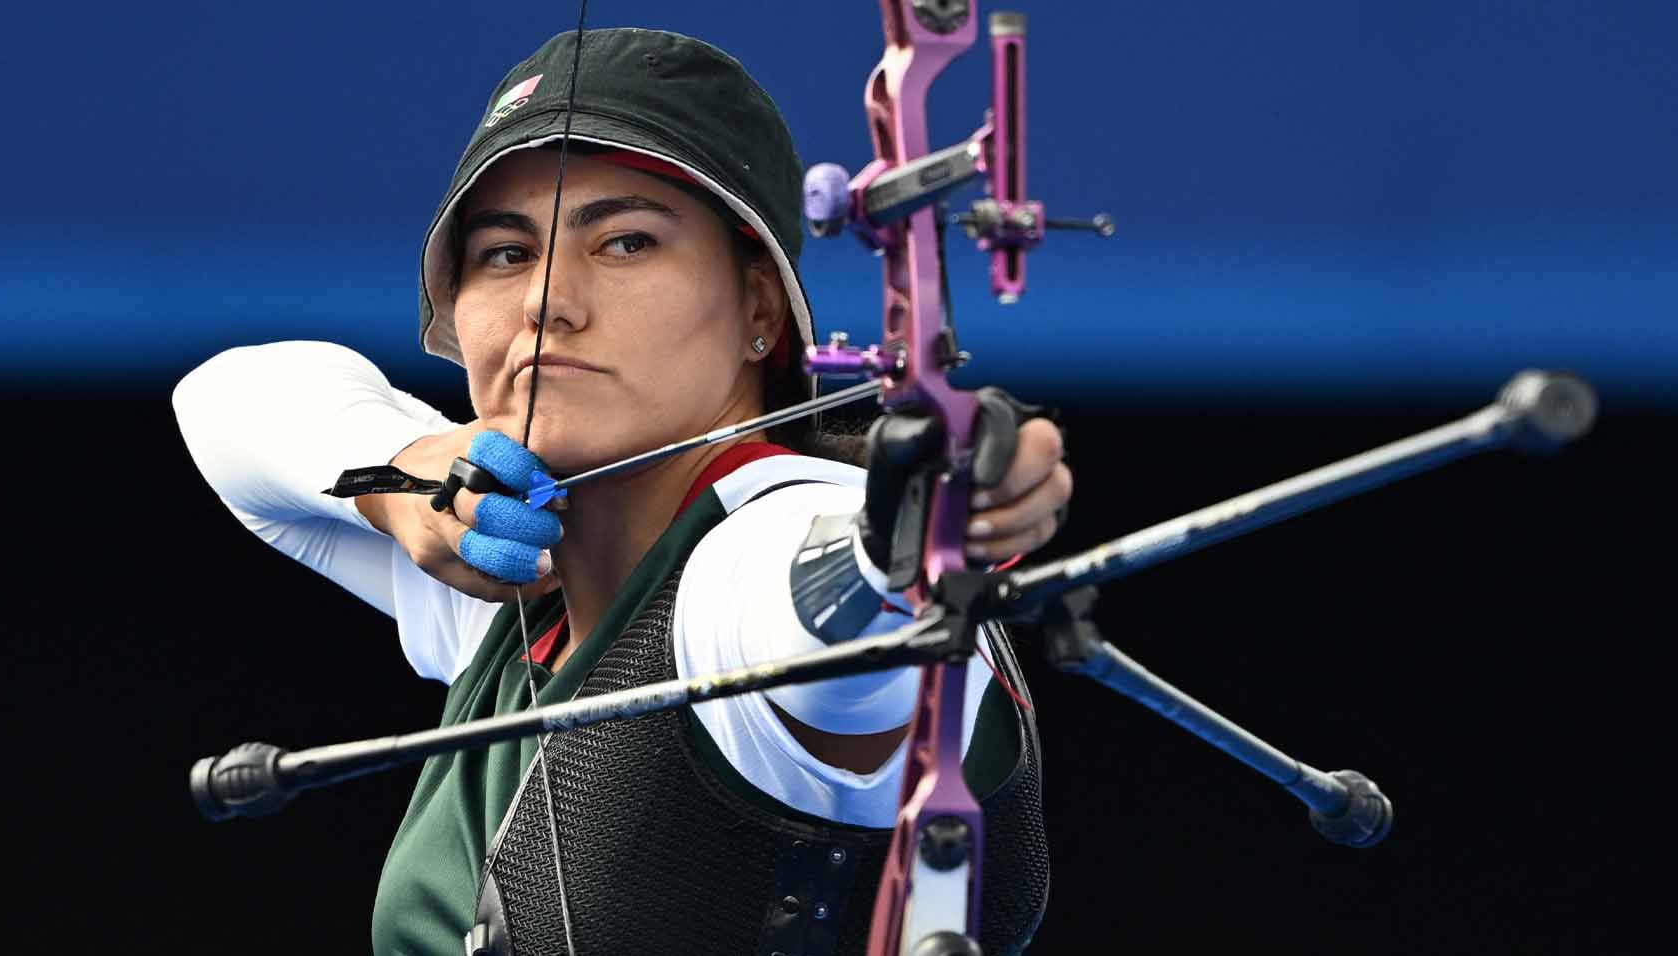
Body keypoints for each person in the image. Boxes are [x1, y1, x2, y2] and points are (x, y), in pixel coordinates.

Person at [174, 27, 1071, 956]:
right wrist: (403, 481)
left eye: (627, 242)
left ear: (760, 308)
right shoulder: (507, 585)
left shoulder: (760, 552)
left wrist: (905, 540)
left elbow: (830, 625)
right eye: (504, 254)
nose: (547, 299)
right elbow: (221, 404)